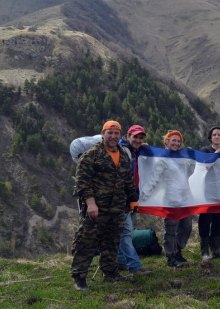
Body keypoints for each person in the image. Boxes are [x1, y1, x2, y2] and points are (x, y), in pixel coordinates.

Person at [70, 120, 138, 291]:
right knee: (86, 241)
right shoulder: (91, 155)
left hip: (116, 208)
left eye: (116, 133)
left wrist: (133, 200)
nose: (113, 136)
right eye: (110, 133)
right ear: (103, 134)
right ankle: (79, 277)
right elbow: (82, 182)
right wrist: (90, 203)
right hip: (96, 208)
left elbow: (128, 181)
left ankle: (110, 272)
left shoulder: (123, 155)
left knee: (112, 241)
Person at [116, 125, 153, 276]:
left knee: (124, 232)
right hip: (122, 198)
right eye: (135, 137)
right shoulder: (121, 150)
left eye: (140, 138)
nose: (138, 140)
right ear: (128, 136)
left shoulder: (134, 151)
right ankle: (135, 267)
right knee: (126, 233)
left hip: (132, 197)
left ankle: (120, 262)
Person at [198, 127, 220, 260]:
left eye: (219, 134)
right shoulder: (205, 151)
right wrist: (217, 152)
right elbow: (204, 167)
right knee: (205, 220)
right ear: (210, 138)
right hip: (206, 193)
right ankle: (204, 251)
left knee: (219, 221)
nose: (217, 136)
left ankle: (216, 249)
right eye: (214, 135)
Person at [162, 130, 193, 268]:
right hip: (170, 199)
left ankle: (178, 250)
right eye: (173, 140)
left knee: (187, 227)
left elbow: (190, 173)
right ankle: (171, 256)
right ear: (167, 141)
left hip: (184, 199)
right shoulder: (161, 157)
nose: (176, 143)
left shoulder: (182, 157)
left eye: (178, 141)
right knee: (171, 228)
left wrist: (192, 158)